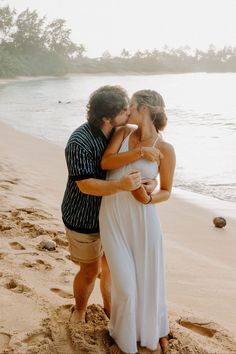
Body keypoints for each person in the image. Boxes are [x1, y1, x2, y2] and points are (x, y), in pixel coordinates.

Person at [61, 86, 162, 323]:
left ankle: (109, 308)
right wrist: (123, 185)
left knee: (110, 268)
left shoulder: (121, 131)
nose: (130, 113)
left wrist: (151, 182)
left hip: (114, 215)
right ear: (107, 117)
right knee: (89, 271)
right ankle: (81, 309)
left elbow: (142, 162)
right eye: (125, 110)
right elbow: (85, 185)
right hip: (83, 216)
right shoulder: (79, 142)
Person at [99, 89, 176, 354]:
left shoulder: (165, 149)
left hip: (144, 222)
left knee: (149, 282)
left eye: (130, 105)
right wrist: (140, 153)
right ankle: (123, 338)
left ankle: (152, 331)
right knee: (127, 287)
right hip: (113, 217)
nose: (126, 110)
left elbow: (166, 190)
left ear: (143, 108)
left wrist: (147, 198)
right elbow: (106, 162)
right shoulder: (123, 134)